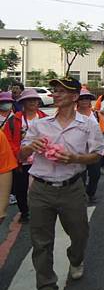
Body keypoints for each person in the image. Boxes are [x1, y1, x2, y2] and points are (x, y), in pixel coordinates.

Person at [20, 77, 104, 290]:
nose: (55, 94)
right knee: (41, 241)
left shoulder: (88, 124)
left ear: (75, 97)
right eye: (54, 90)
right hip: (40, 189)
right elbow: (20, 156)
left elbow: (97, 154)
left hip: (72, 187)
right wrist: (30, 147)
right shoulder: (40, 124)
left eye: (61, 91)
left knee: (80, 233)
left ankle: (76, 259)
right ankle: (47, 287)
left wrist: (75, 158)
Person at [4, 89, 47, 223]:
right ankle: (24, 212)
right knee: (21, 189)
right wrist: (20, 154)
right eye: (29, 100)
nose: (33, 102)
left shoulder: (45, 118)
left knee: (42, 188)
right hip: (21, 161)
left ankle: (42, 211)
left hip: (41, 160)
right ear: (23, 102)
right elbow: (7, 140)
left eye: (35, 99)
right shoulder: (15, 119)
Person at [76, 88, 104, 204]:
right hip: (79, 151)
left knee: (95, 175)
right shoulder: (72, 114)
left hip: (94, 151)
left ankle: (91, 193)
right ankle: (81, 196)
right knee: (80, 176)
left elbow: (102, 131)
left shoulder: (95, 114)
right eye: (81, 98)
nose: (84, 101)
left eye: (87, 98)